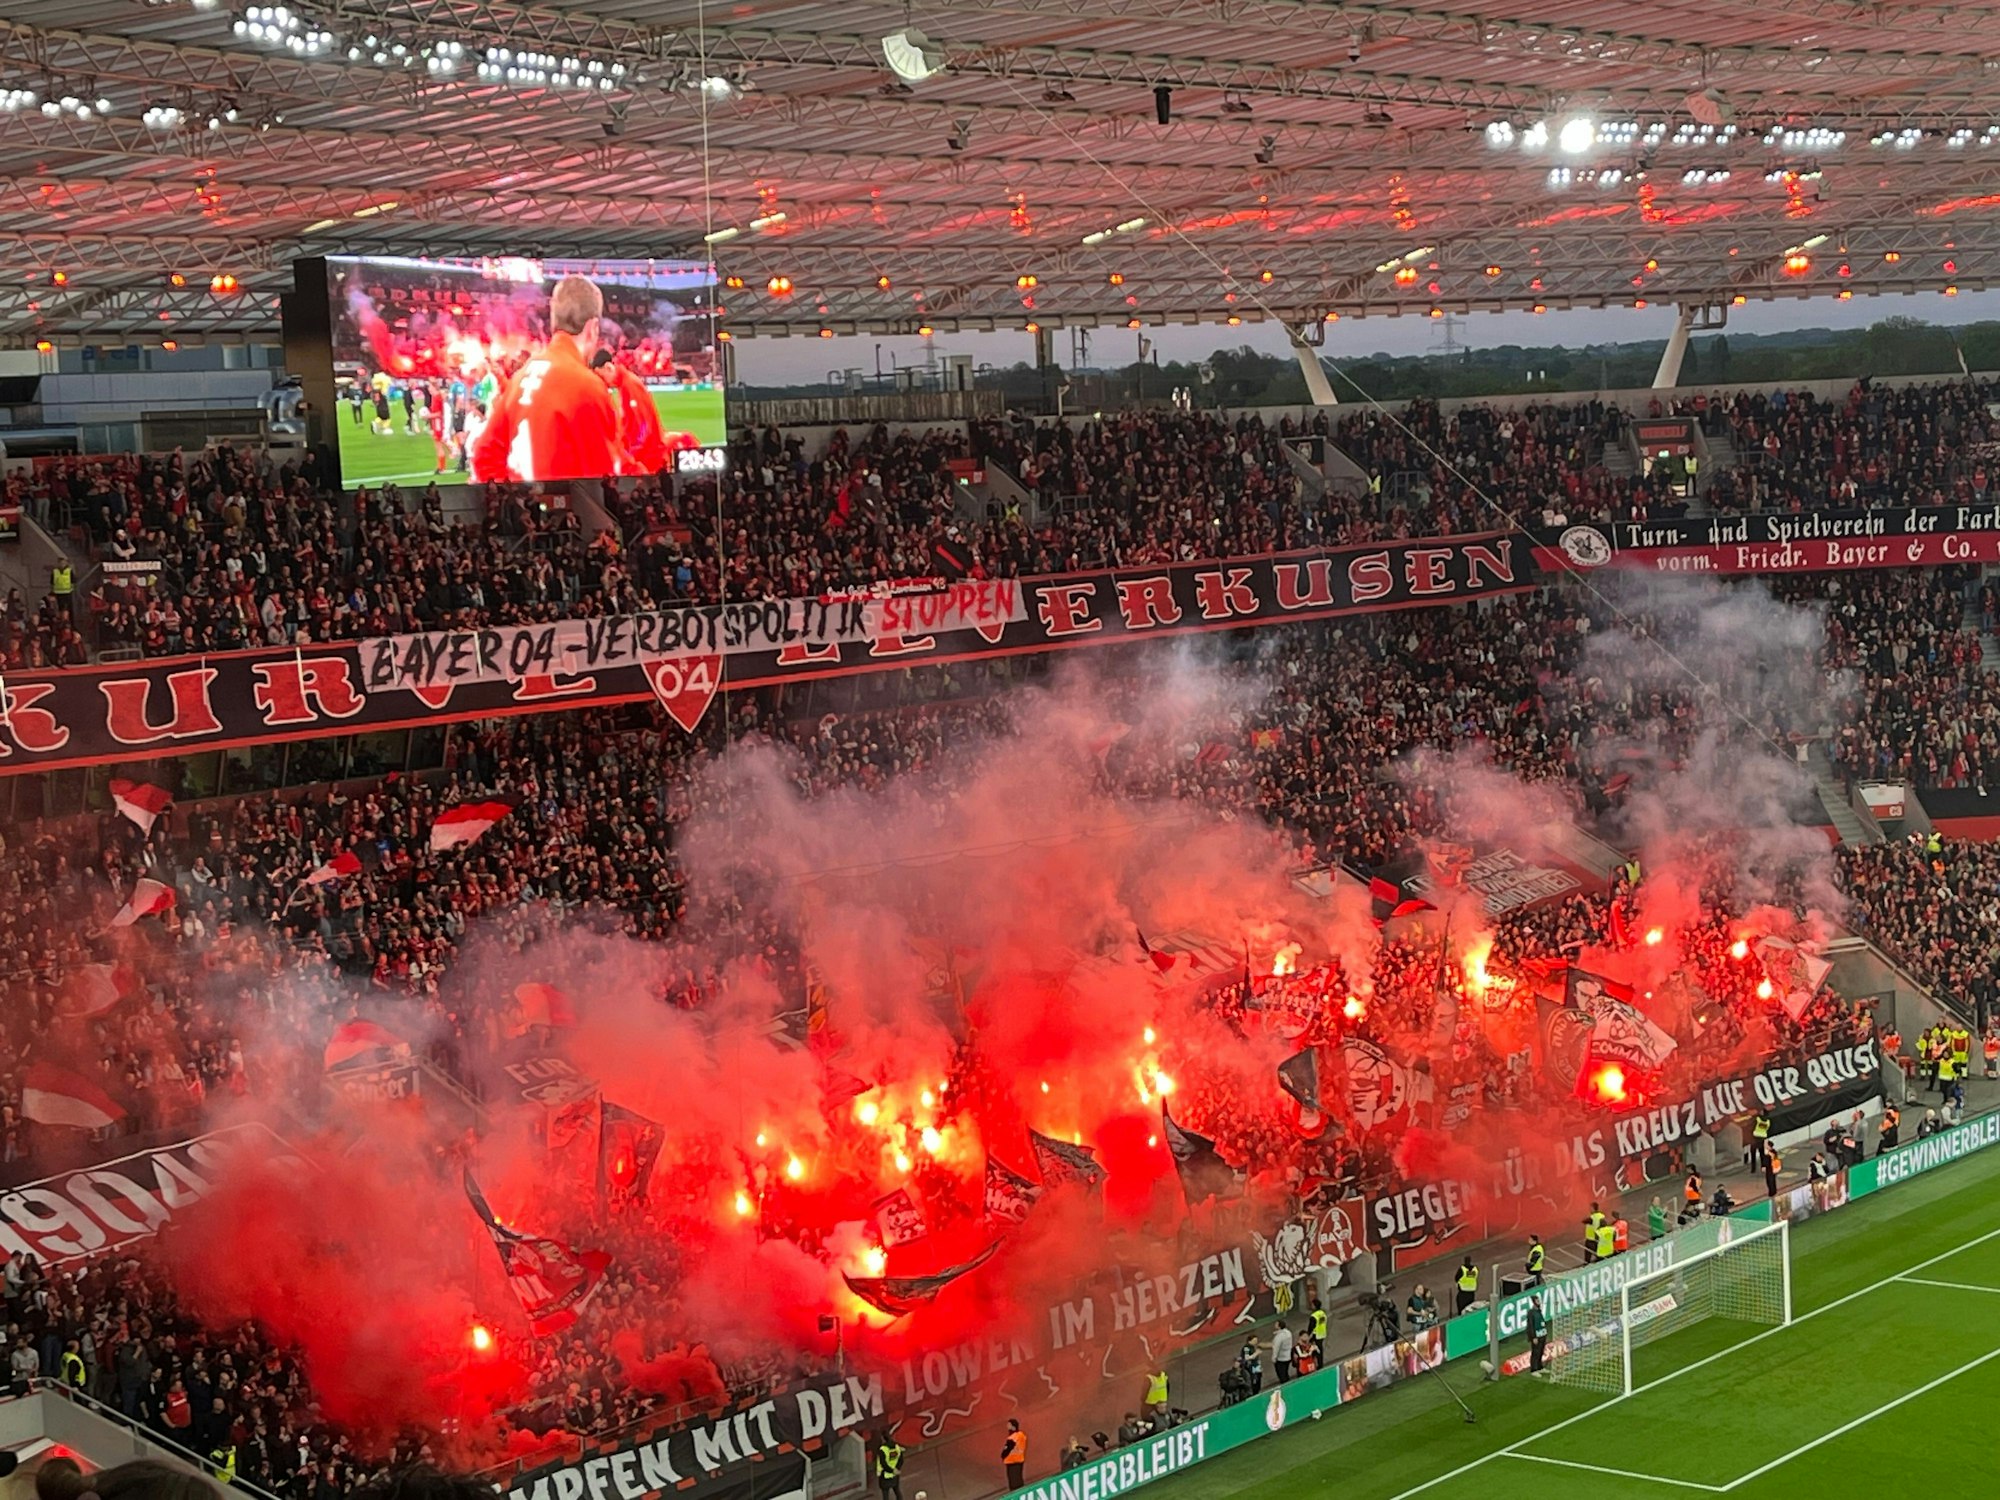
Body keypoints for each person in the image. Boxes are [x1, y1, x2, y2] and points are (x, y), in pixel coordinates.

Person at [469, 275, 625, 484]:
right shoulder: (587, 386)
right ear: (593, 328)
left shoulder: (521, 376)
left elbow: (484, 457)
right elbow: (602, 480)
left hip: (526, 498)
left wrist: (514, 497)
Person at [875, 1431, 905, 1500]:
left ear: (883, 1438)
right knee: (897, 1491)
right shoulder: (897, 1447)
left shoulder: (883, 1449)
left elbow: (883, 1464)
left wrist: (891, 1470)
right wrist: (896, 1469)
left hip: (885, 1475)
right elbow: (901, 1460)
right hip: (895, 1475)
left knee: (885, 1494)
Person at [1526, 1294, 1550, 1377]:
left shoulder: (1539, 1311)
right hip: (1536, 1336)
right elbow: (1530, 1326)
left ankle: (1540, 1367)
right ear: (1533, 1302)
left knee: (1540, 1351)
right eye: (1537, 1301)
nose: (1539, 1302)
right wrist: (1533, 1337)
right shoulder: (1531, 1313)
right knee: (1535, 1352)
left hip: (1542, 1334)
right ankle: (1533, 1369)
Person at [1002, 1420, 1027, 1490]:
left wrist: (1003, 1456)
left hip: (1012, 1461)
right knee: (1019, 1479)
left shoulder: (1012, 1438)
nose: (1007, 1426)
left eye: (1009, 1425)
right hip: (1020, 1459)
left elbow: (1007, 1450)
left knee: (1013, 1481)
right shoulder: (1022, 1435)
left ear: (1013, 1427)